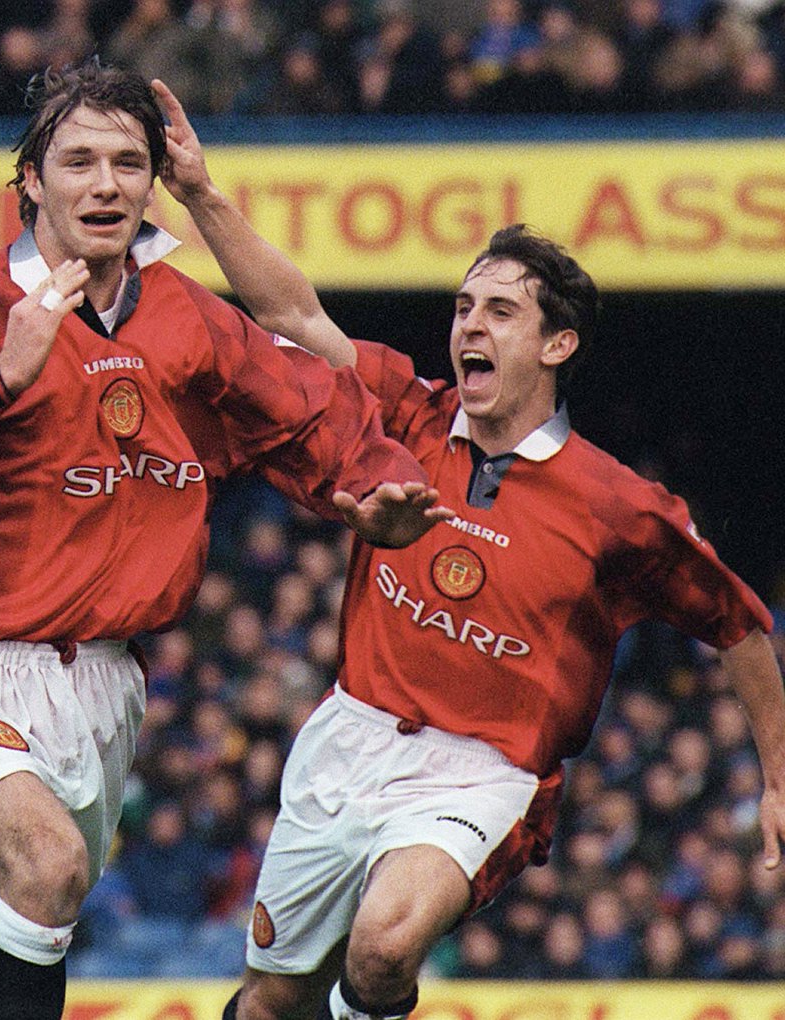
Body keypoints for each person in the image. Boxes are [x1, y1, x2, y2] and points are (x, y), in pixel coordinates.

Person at [0, 59, 451, 1020]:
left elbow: (309, 404)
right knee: (48, 866)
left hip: (106, 684)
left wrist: (373, 490)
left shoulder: (183, 311)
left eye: (127, 162)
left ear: (153, 182)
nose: (104, 184)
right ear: (31, 178)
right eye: (77, 161)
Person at [151, 80, 785, 1020]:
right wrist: (200, 193)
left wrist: (777, 780)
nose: (468, 327)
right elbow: (295, 316)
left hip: (484, 773)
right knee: (269, 1001)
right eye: (462, 307)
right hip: (350, 738)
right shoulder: (408, 417)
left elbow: (740, 630)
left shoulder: (619, 508)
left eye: (499, 312)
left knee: (383, 948)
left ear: (558, 343)